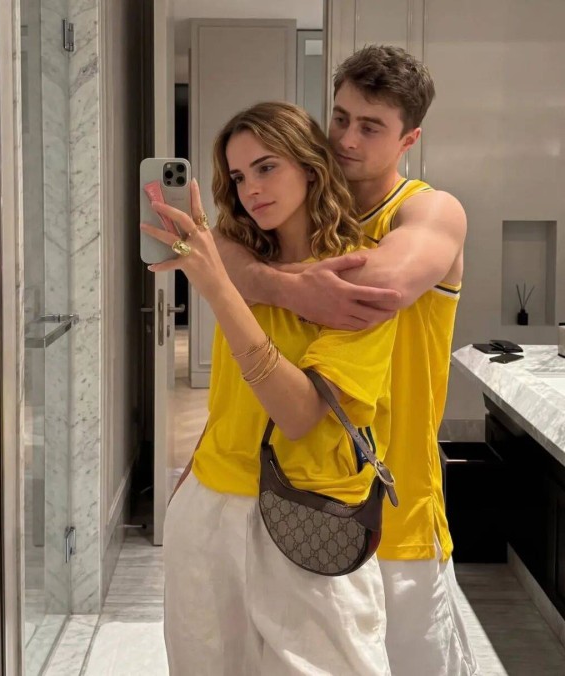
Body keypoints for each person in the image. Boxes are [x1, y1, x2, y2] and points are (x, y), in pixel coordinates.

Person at [214, 45, 479, 676]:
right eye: (339, 118)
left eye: (371, 127)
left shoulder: (428, 210)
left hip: (397, 508)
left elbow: (372, 292)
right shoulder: (289, 221)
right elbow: (214, 246)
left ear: (409, 138)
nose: (346, 139)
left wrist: (244, 276)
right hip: (303, 500)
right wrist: (253, 274)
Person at [141, 101, 399, 675]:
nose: (251, 189)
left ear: (309, 165)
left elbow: (300, 414)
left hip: (311, 518)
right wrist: (187, 492)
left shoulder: (358, 276)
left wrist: (218, 289)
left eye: (266, 167)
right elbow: (230, 398)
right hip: (209, 508)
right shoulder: (244, 264)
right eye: (238, 177)